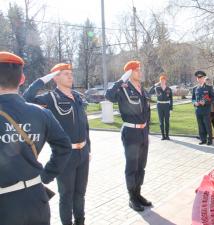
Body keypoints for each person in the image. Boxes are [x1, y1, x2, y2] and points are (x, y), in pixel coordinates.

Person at [0, 51, 72, 225]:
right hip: (36, 199)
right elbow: (64, 147)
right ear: (22, 79)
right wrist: (46, 176)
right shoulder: (41, 113)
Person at [23, 63, 91, 225]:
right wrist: (43, 79)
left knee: (80, 193)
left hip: (83, 153)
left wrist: (89, 149)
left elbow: (85, 125)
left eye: (70, 73)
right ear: (55, 78)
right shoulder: (50, 98)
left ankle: (80, 222)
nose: (70, 76)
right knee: (66, 195)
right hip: (66, 155)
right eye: (65, 73)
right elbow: (25, 99)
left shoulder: (77, 96)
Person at [105, 60, 152, 212]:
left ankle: (138, 194)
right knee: (132, 167)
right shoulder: (123, 89)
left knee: (141, 166)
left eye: (140, 69)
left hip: (143, 132)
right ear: (130, 73)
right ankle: (132, 198)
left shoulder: (142, 89)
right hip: (131, 132)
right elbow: (109, 96)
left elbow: (147, 111)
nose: (140, 72)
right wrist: (121, 79)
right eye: (137, 70)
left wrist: (147, 129)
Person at [192, 71, 214, 145]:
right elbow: (193, 98)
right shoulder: (195, 88)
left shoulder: (209, 87)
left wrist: (205, 102)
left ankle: (210, 139)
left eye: (201, 78)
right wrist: (194, 103)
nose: (199, 79)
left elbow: (213, 97)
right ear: (197, 79)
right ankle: (203, 139)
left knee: (207, 125)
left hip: (206, 110)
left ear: (204, 78)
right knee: (200, 125)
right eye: (198, 78)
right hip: (198, 110)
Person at [149, 73, 173, 140]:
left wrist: (171, 108)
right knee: (161, 121)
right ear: (160, 81)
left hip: (166, 106)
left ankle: (167, 135)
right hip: (159, 105)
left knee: (167, 121)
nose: (162, 81)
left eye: (164, 80)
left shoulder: (169, 89)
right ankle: (163, 135)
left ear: (165, 81)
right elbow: (150, 92)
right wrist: (155, 85)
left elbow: (171, 99)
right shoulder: (157, 88)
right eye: (161, 80)